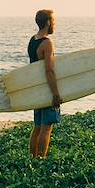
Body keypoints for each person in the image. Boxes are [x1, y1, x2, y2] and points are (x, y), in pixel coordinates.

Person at [28, 9, 62, 158]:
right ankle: (41, 159)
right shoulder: (47, 43)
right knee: (46, 128)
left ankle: (33, 159)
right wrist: (55, 94)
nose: (54, 23)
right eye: (53, 20)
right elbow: (49, 70)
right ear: (48, 22)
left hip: (36, 89)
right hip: (46, 89)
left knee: (37, 127)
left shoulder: (32, 40)